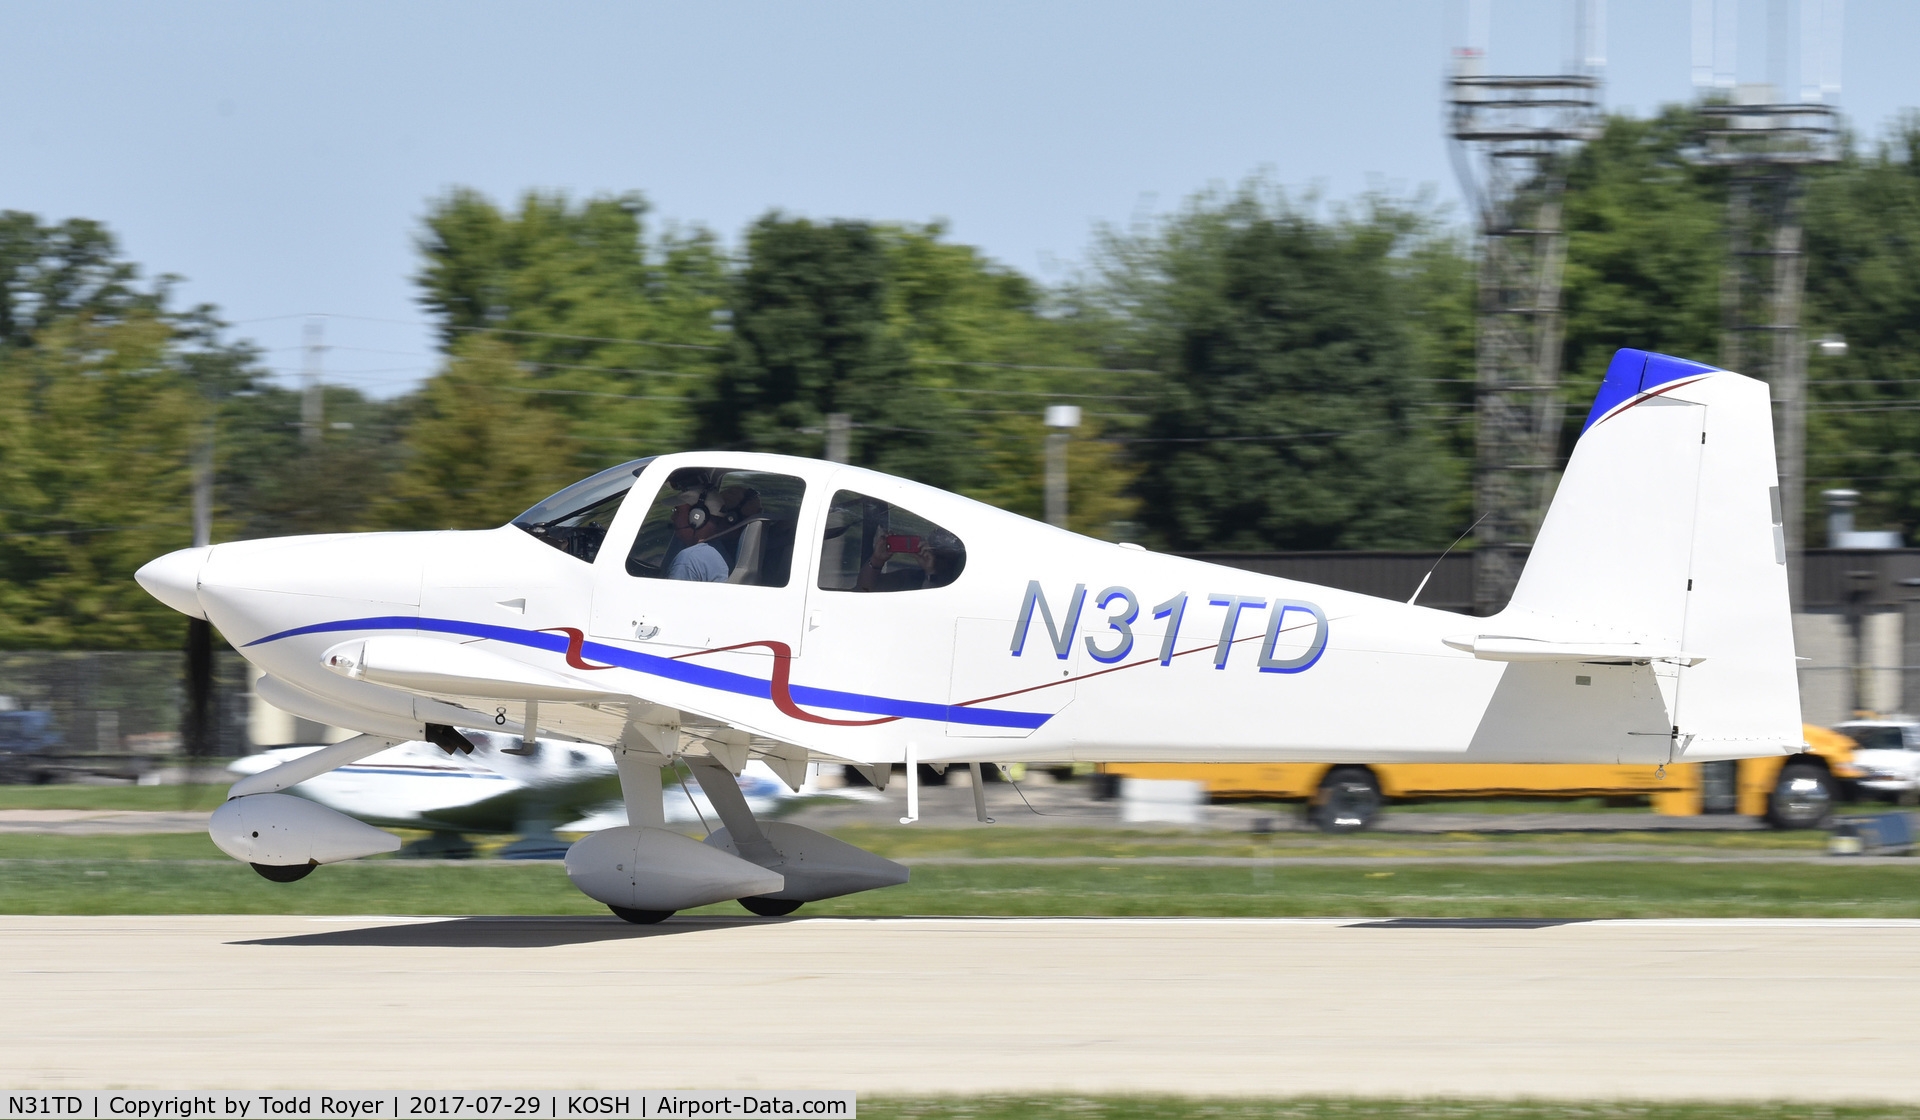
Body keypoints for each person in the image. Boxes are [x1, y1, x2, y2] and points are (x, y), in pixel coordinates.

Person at [665, 490, 731, 582]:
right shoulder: (720, 551)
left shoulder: (690, 559)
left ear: (697, 517)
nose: (672, 517)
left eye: (677, 511)